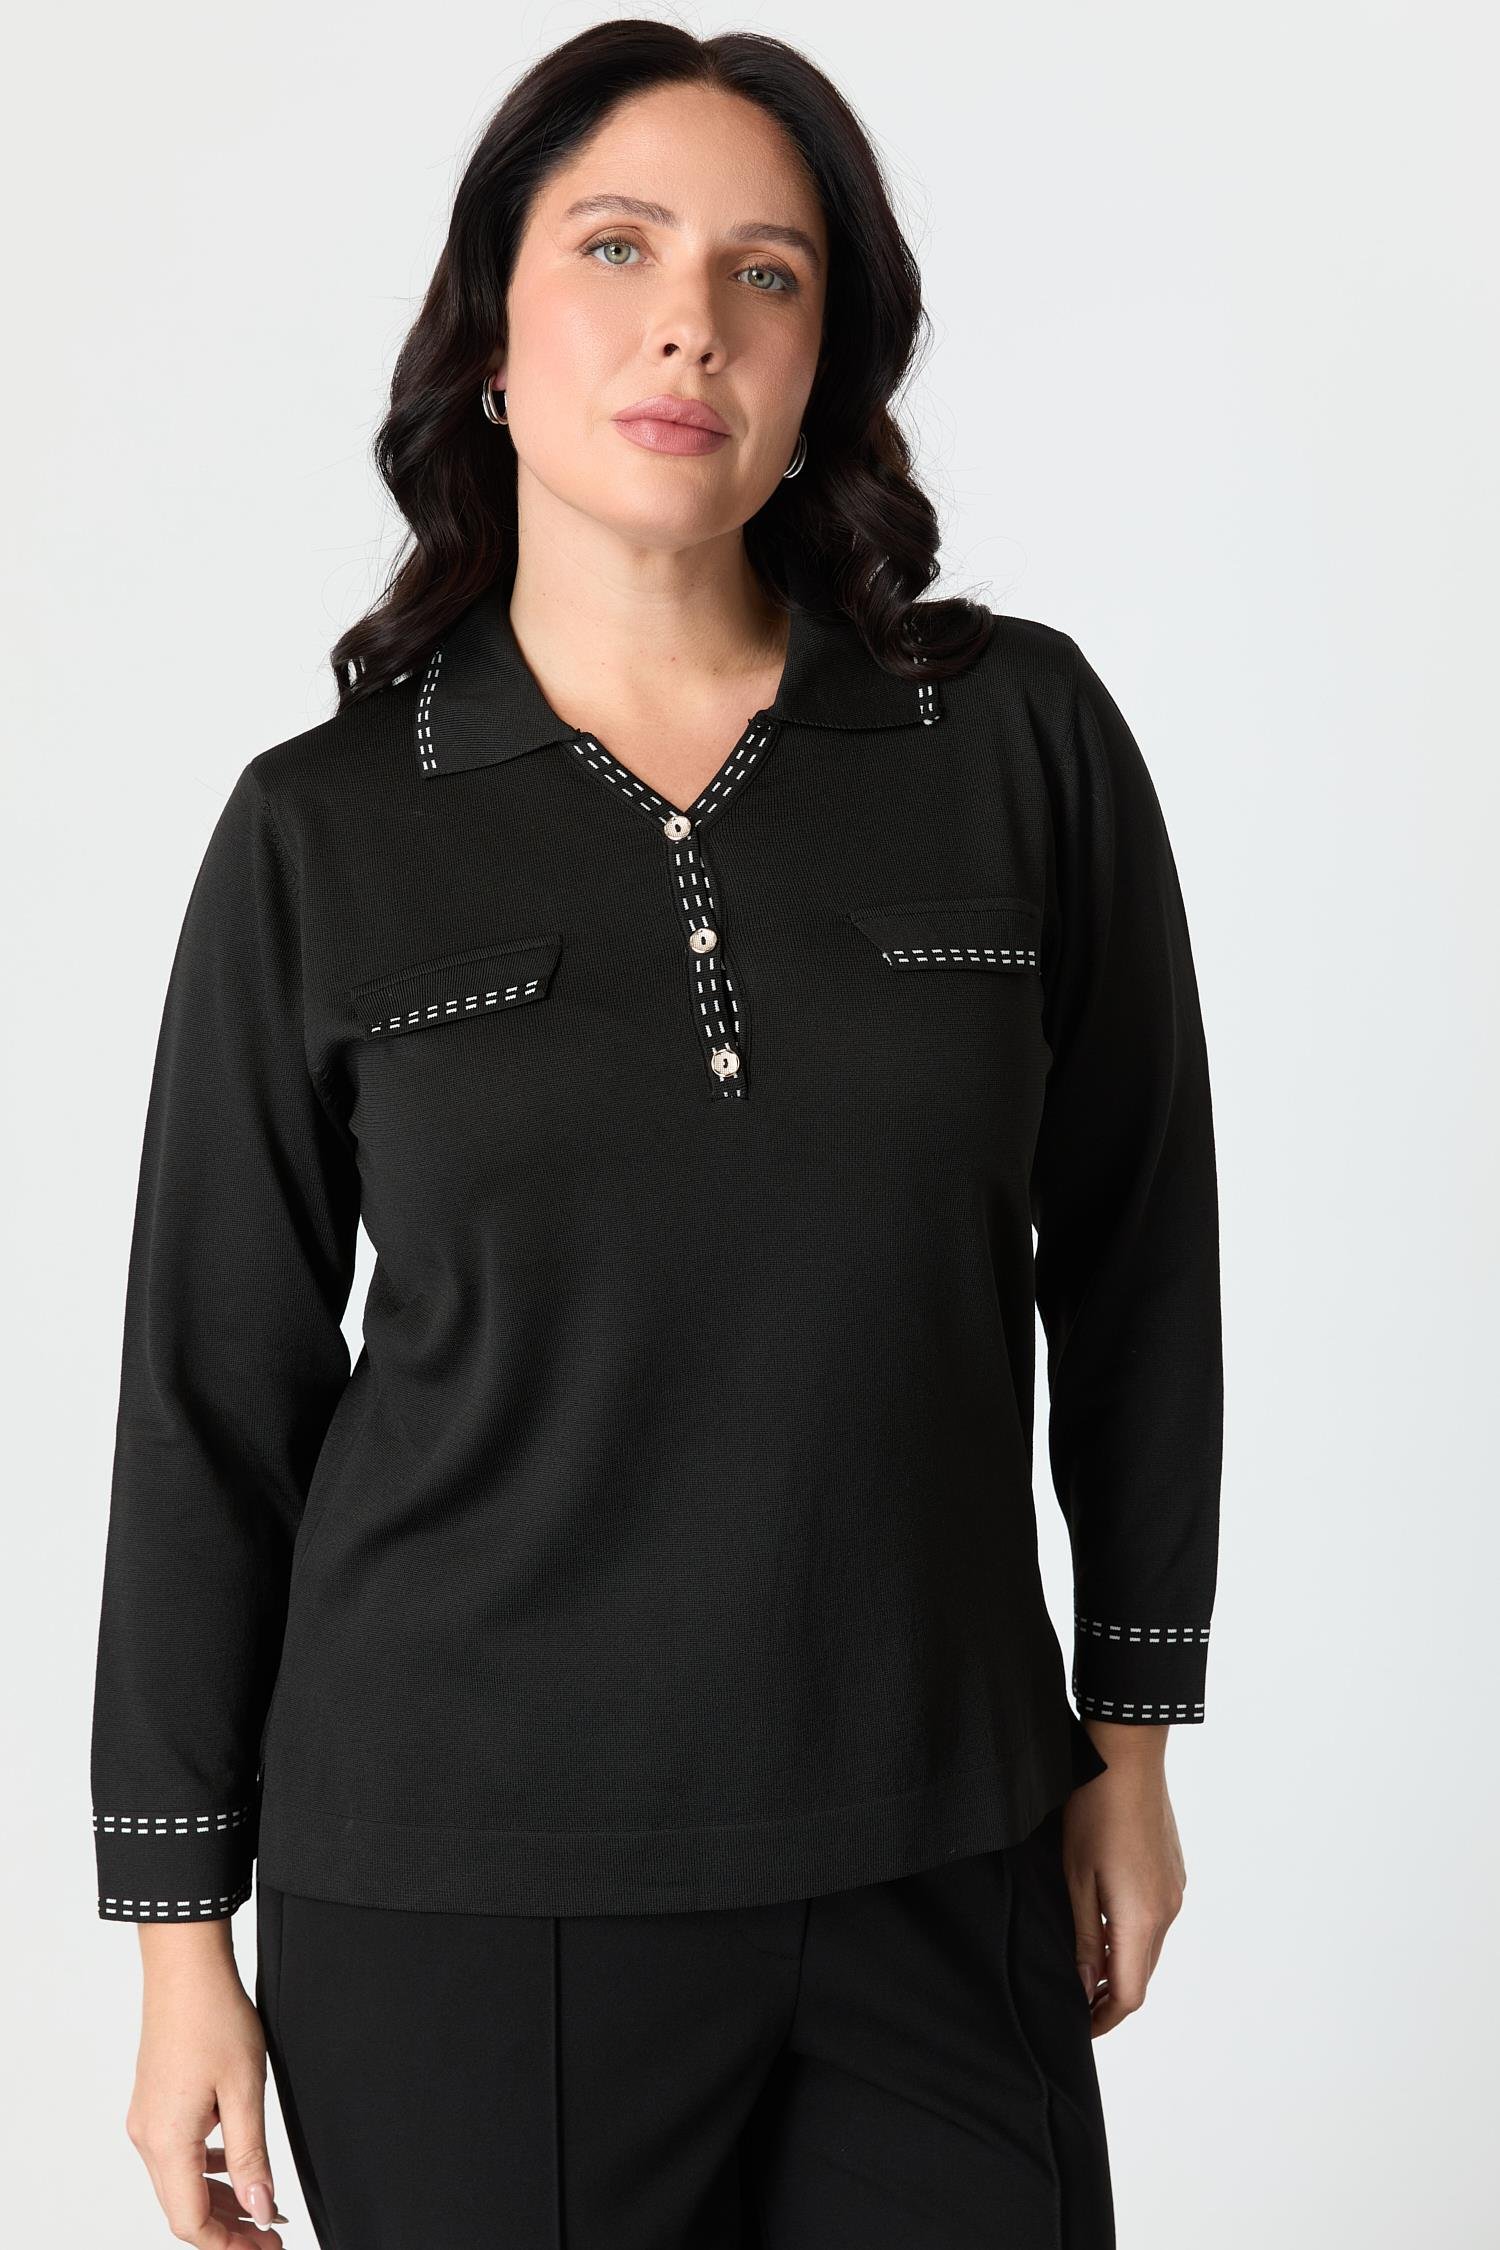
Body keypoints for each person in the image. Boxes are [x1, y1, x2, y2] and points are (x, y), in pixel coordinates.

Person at [89, 21, 1223, 2249]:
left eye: (765, 273)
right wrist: (177, 1941)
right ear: (491, 332)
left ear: (824, 365)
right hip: (458, 1889)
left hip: (946, 1844)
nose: (691, 320)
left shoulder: (1013, 738)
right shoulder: (325, 831)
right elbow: (212, 1392)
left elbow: (1139, 1250)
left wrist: (1133, 1735)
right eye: (616, 247)